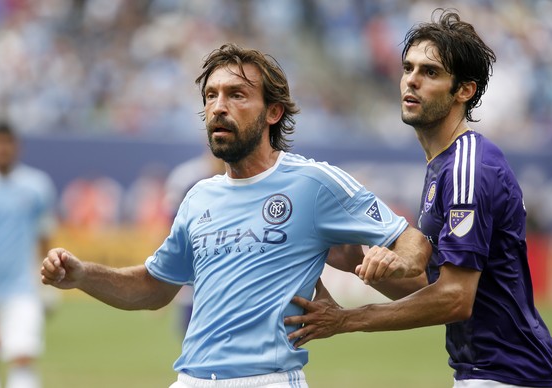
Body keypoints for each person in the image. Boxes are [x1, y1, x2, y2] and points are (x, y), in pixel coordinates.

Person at [40, 43, 431, 388]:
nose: (219, 106)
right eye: (211, 96)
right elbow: (153, 287)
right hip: (190, 379)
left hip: (268, 379)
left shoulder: (314, 182)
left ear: (273, 112)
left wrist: (395, 260)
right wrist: (82, 274)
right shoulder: (198, 197)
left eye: (236, 94)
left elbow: (412, 242)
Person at [285, 9, 552, 388]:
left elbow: (454, 299)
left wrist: (347, 319)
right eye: (408, 68)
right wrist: (354, 261)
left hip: (509, 375)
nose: (411, 80)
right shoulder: (442, 165)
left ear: (464, 90)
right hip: (485, 372)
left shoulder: (469, 167)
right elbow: (431, 288)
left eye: (430, 72)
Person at [0, 121, 58, 388]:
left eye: (7, 142)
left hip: (22, 287)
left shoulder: (36, 185)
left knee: (23, 357)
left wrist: (48, 285)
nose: (2, 148)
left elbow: (44, 236)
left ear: (16, 145)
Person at [163, 151, 225, 336]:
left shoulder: (251, 177)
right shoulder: (187, 178)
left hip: (232, 279)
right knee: (194, 343)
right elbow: (173, 233)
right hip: (196, 277)